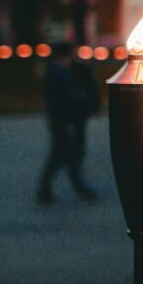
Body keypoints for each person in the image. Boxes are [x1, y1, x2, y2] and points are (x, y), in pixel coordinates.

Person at [35, 43, 101, 205]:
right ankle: (55, 189)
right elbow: (58, 101)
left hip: (66, 120)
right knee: (62, 156)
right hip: (62, 121)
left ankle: (54, 189)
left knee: (65, 156)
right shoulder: (58, 73)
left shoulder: (59, 71)